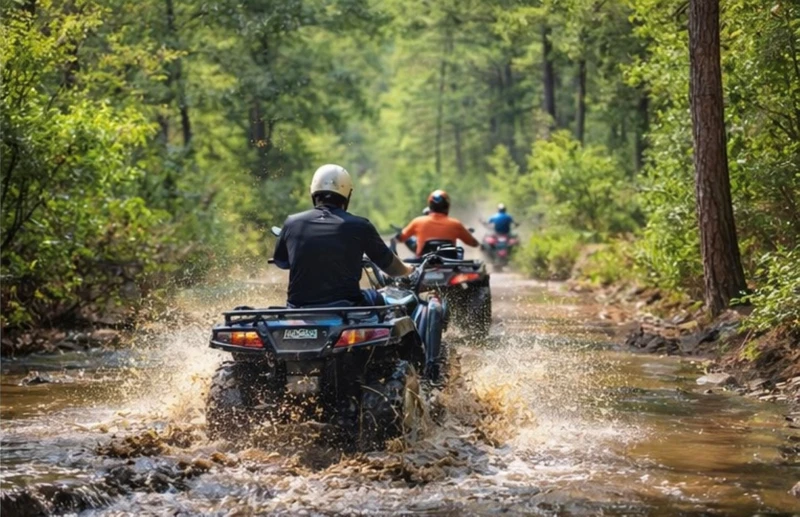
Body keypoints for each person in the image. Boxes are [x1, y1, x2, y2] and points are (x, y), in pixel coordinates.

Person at [273, 164, 413, 307]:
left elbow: (282, 261)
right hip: (347, 306)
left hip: (298, 307)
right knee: (403, 299)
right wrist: (408, 270)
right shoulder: (360, 226)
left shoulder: (292, 223)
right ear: (348, 195)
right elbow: (392, 268)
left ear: (313, 193)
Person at [397, 190, 479, 256]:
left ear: (430, 205)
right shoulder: (455, 224)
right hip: (450, 265)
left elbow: (401, 238)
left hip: (424, 263)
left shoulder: (418, 221)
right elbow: (473, 243)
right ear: (447, 206)